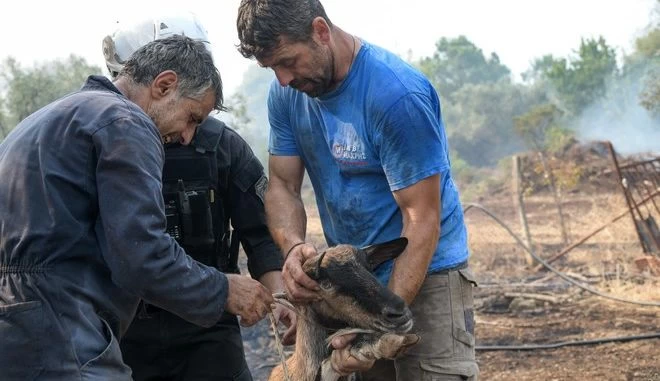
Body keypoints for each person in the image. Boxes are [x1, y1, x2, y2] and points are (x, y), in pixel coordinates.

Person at [0, 35, 276, 380]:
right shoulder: (125, 122)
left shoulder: (42, 122)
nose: (188, 136)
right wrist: (223, 289)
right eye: (192, 117)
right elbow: (141, 254)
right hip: (67, 330)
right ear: (164, 85)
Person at [236, 1, 479, 380]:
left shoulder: (395, 96)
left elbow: (421, 216)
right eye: (272, 69)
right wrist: (293, 245)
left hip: (426, 270)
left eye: (288, 61)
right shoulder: (285, 94)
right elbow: (283, 185)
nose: (283, 79)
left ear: (320, 31)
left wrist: (381, 320)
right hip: (352, 280)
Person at [101, 13, 296, 381]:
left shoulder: (223, 147)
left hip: (208, 333)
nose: (186, 134)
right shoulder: (102, 142)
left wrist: (282, 300)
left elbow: (260, 234)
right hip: (122, 333)